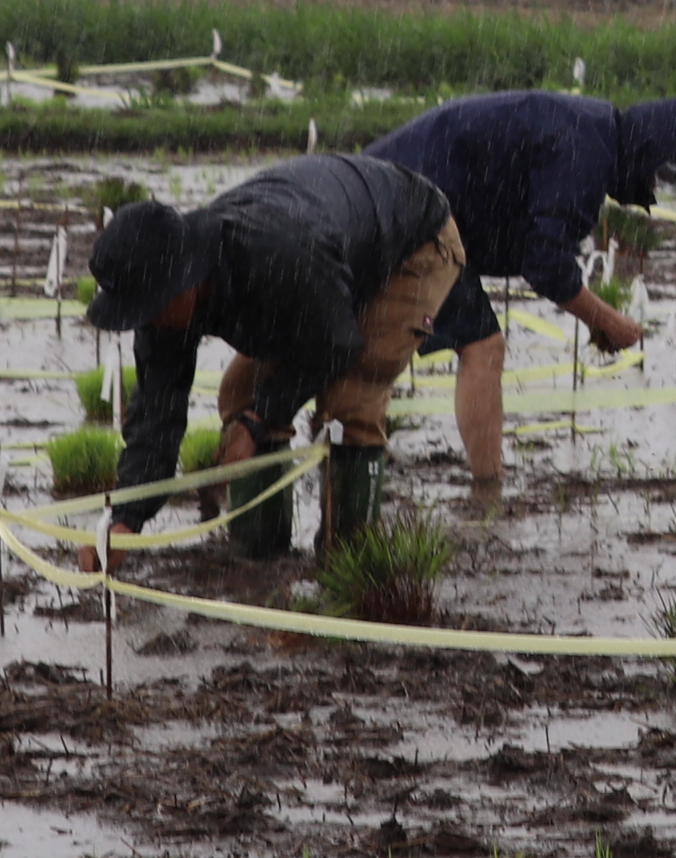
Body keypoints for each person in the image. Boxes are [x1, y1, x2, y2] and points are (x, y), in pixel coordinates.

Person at [85, 152, 465, 556]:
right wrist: (125, 520)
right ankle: (261, 554)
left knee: (348, 403)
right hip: (327, 263)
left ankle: (352, 564)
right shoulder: (163, 310)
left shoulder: (275, 257)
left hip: (410, 244)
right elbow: (156, 416)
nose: (149, 321)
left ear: (185, 280)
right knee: (240, 394)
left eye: (152, 307)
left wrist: (259, 421)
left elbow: (337, 342)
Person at [365, 91, 676, 490]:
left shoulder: (594, 131)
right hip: (406, 208)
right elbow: (545, 263)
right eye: (661, 174)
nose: (654, 186)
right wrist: (605, 318)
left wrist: (591, 314)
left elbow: (530, 241)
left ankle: (350, 443)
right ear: (650, 150)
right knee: (482, 345)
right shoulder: (585, 155)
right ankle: (487, 488)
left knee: (380, 341)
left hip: (387, 192)